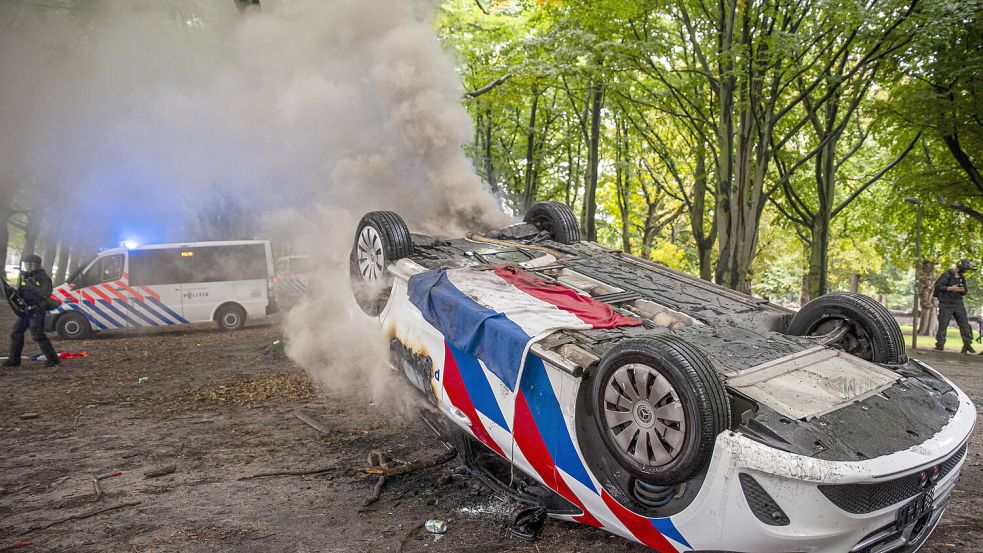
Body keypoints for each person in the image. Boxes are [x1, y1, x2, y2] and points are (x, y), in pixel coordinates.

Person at [2, 254, 59, 368]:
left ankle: (53, 359)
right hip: (25, 310)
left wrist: (32, 286)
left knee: (38, 334)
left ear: (37, 265)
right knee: (17, 332)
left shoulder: (43, 277)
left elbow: (46, 293)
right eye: (26, 265)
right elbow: (22, 291)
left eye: (30, 265)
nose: (28, 267)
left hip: (37, 309)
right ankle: (14, 360)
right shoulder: (24, 276)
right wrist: (14, 293)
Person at [934, 258, 976, 353]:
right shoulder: (947, 275)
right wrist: (950, 288)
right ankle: (940, 345)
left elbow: (965, 291)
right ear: (960, 267)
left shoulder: (961, 277)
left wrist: (962, 290)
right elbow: (939, 286)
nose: (965, 271)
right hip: (945, 304)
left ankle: (967, 345)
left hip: (958, 303)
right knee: (943, 325)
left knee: (965, 325)